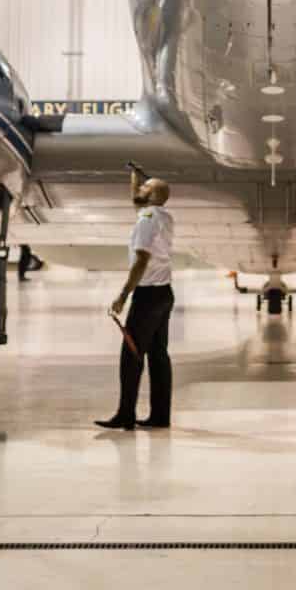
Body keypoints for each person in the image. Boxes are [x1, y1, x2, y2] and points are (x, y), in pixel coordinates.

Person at [96, 165, 175, 431]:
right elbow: (139, 202)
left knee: (131, 356)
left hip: (147, 296)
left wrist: (123, 295)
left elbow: (141, 259)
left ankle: (125, 414)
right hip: (164, 293)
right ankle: (160, 415)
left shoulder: (146, 220)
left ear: (152, 196)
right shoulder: (163, 216)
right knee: (158, 355)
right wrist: (136, 177)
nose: (140, 190)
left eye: (145, 187)